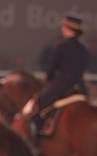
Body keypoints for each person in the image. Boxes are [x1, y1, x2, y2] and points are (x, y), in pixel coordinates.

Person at [25, 13, 89, 144]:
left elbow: (52, 68)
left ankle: (35, 141)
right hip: (79, 85)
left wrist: (47, 80)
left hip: (61, 85)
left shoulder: (61, 46)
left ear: (67, 28)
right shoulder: (84, 47)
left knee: (37, 107)